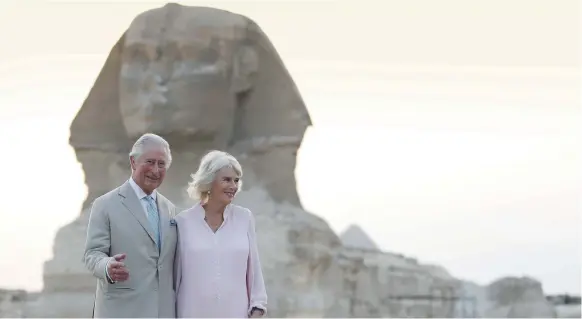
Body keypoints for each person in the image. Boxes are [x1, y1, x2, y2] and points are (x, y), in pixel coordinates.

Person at [83, 133, 178, 318]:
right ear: (133, 162)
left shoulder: (170, 209)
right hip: (121, 311)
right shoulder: (105, 204)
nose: (156, 170)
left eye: (162, 164)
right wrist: (107, 267)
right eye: (150, 162)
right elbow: (92, 254)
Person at [174, 150, 268, 318]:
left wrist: (257, 310)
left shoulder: (244, 218)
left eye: (236, 180)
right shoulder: (182, 222)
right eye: (226, 180)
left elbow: (254, 271)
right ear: (209, 182)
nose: (233, 186)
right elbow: (174, 278)